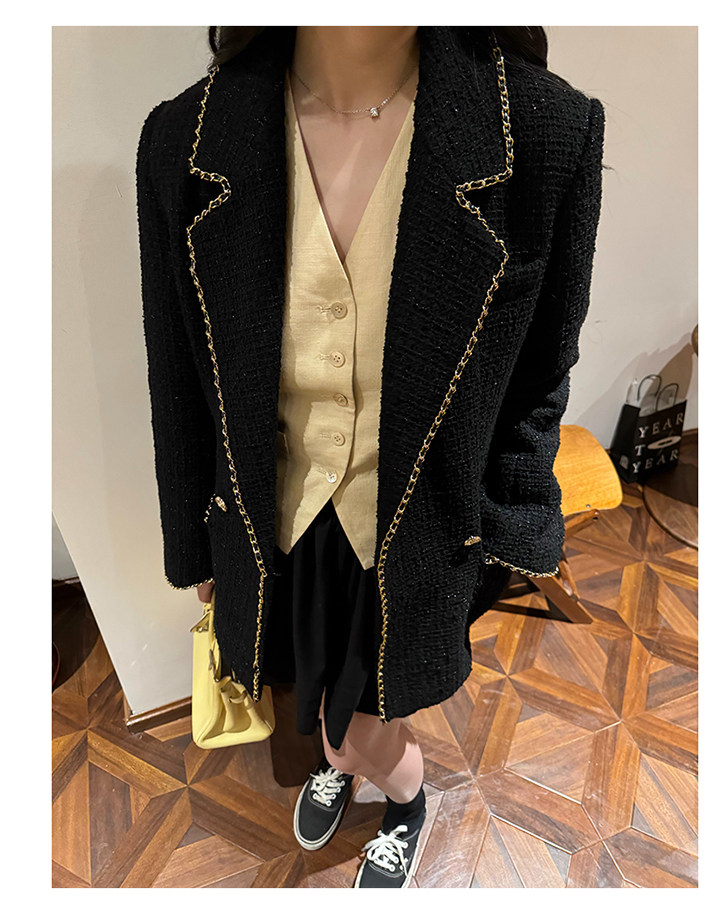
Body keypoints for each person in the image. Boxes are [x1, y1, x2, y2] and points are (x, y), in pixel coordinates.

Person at [136, 25, 606, 889]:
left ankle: (405, 798)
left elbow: (543, 369)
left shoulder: (545, 129)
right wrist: (195, 545)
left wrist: (509, 534)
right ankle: (346, 761)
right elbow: (177, 374)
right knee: (313, 695)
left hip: (424, 532)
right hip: (273, 530)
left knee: (363, 717)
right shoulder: (181, 138)